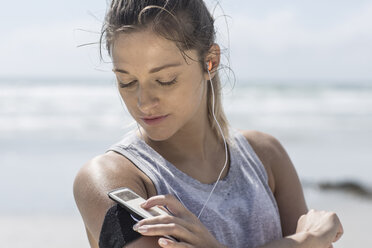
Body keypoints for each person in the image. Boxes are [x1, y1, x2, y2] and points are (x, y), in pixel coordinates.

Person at [73, 1, 344, 247]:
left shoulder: (266, 157)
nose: (143, 102)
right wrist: (306, 240)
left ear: (210, 62)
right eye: (127, 81)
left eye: (165, 79)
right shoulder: (110, 178)